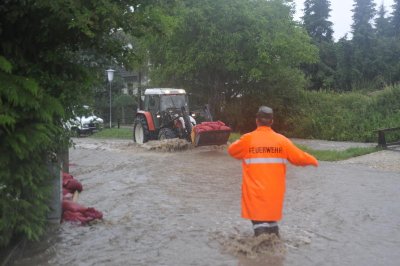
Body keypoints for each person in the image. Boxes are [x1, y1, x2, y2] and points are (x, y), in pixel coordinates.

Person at [228, 106, 318, 237]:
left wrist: (240, 141)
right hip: (274, 195)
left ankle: (261, 254)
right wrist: (313, 160)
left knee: (260, 231)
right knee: (272, 228)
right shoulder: (282, 141)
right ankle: (276, 255)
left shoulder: (248, 139)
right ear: (272, 121)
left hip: (255, 195)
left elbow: (232, 151)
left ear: (256, 120)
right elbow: (299, 157)